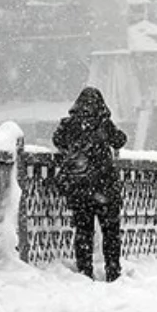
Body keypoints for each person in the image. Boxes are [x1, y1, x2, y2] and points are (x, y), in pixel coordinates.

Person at [52, 86, 128, 281]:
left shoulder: (70, 125)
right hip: (105, 188)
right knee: (110, 233)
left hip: (80, 189)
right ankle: (113, 270)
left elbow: (57, 140)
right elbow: (120, 141)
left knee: (83, 232)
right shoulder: (104, 124)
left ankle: (85, 272)